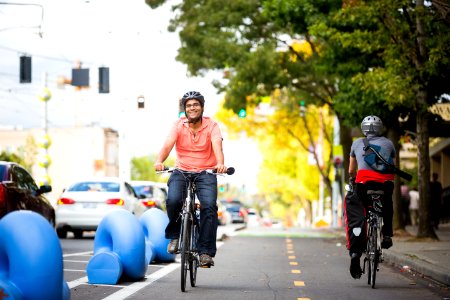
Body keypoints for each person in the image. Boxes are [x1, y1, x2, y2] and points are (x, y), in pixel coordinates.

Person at [154, 91, 228, 268]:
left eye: (195, 105)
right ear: (185, 109)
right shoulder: (178, 125)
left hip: (206, 172)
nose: (192, 108)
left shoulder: (212, 126)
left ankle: (205, 252)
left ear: (202, 107)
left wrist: (220, 164)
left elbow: (217, 145)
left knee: (209, 206)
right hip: (182, 170)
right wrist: (159, 161)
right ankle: (175, 236)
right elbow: (168, 144)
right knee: (173, 200)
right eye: (188, 105)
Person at [345, 115, 396, 279]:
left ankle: (355, 253)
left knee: (360, 212)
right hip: (385, 184)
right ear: (380, 128)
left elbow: (351, 171)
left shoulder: (357, 143)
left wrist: (353, 178)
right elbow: (392, 166)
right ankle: (387, 234)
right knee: (387, 203)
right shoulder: (388, 143)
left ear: (363, 128)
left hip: (363, 184)